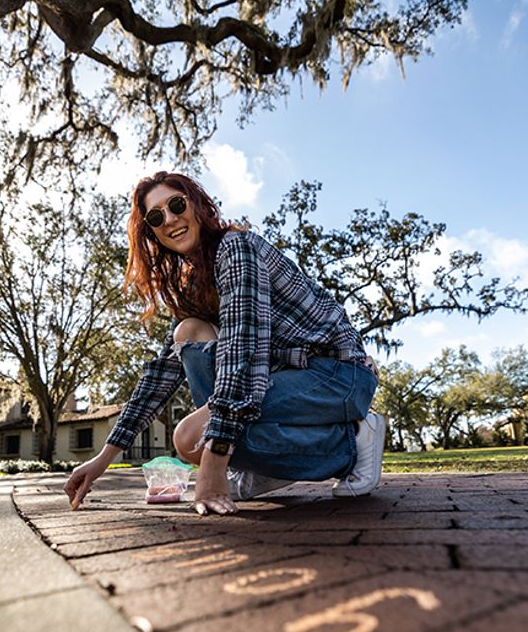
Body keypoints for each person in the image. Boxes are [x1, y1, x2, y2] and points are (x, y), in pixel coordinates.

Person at [65, 171, 385, 516]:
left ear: (198, 205)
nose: (170, 219)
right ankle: (260, 469)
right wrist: (104, 459)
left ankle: (354, 442)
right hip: (285, 378)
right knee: (188, 332)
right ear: (152, 233)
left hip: (337, 375)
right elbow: (161, 376)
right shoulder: (195, 284)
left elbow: (242, 351)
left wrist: (215, 460)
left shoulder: (236, 248)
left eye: (176, 205)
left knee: (191, 438)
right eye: (156, 217)